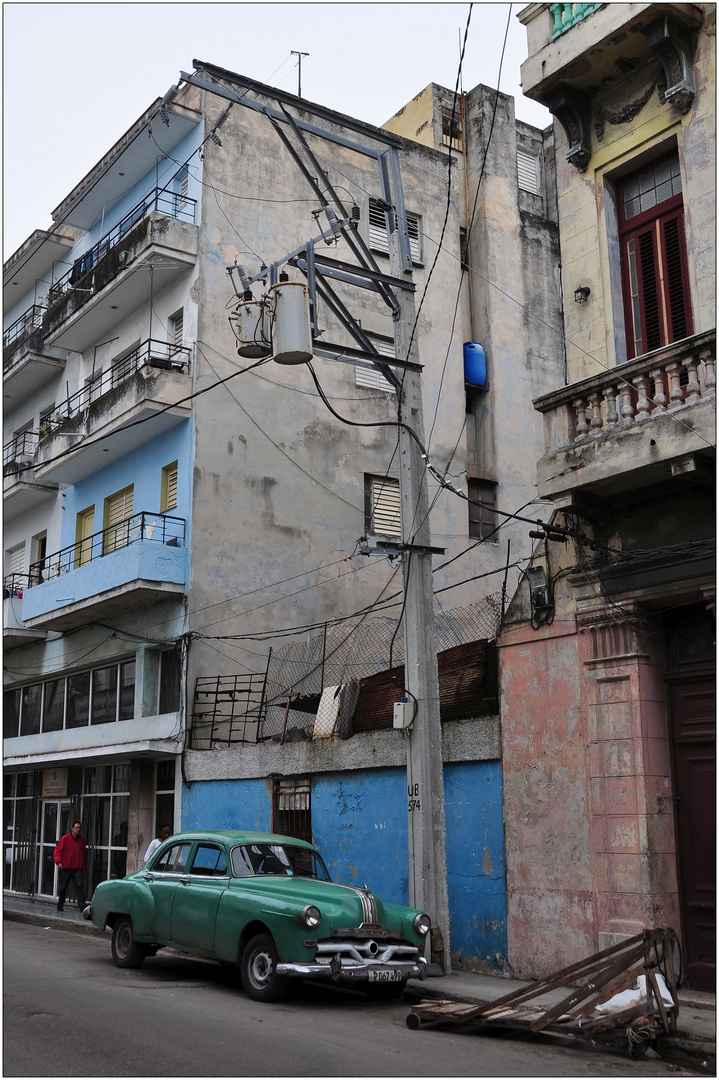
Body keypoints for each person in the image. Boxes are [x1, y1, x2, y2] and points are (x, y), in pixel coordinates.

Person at [54, 821, 89, 915]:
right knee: (63, 886)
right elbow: (58, 851)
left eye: (79, 828)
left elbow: (83, 853)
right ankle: (60, 903)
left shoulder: (81, 840)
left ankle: (82, 905)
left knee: (79, 886)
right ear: (72, 828)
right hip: (66, 867)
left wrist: (81, 863)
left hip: (77, 867)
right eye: (76, 827)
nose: (78, 829)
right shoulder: (65, 838)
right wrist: (59, 862)